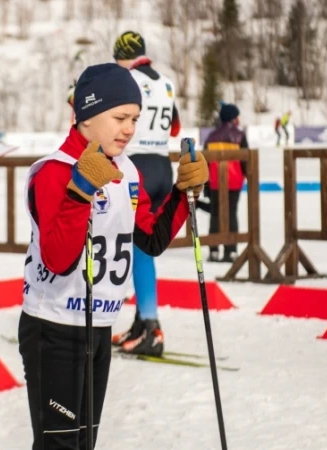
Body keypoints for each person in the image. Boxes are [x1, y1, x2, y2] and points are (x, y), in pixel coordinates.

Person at [18, 63, 208, 450]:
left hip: (99, 324)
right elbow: (57, 257)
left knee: (84, 442)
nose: (129, 128)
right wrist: (80, 191)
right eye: (120, 117)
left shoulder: (128, 171)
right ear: (87, 116)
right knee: (60, 445)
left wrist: (183, 195)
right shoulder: (55, 172)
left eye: (134, 118)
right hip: (53, 326)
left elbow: (150, 238)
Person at [108, 30, 181, 357]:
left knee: (137, 248)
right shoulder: (166, 82)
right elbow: (175, 127)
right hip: (163, 165)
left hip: (137, 166)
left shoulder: (126, 78)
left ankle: (151, 326)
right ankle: (141, 323)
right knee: (144, 247)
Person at [205, 102, 248, 263]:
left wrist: (206, 184)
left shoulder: (211, 136)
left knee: (215, 215)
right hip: (234, 182)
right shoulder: (240, 135)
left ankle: (214, 250)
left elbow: (206, 162)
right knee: (231, 214)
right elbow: (246, 160)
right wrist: (249, 175)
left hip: (215, 181)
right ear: (233, 118)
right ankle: (231, 250)